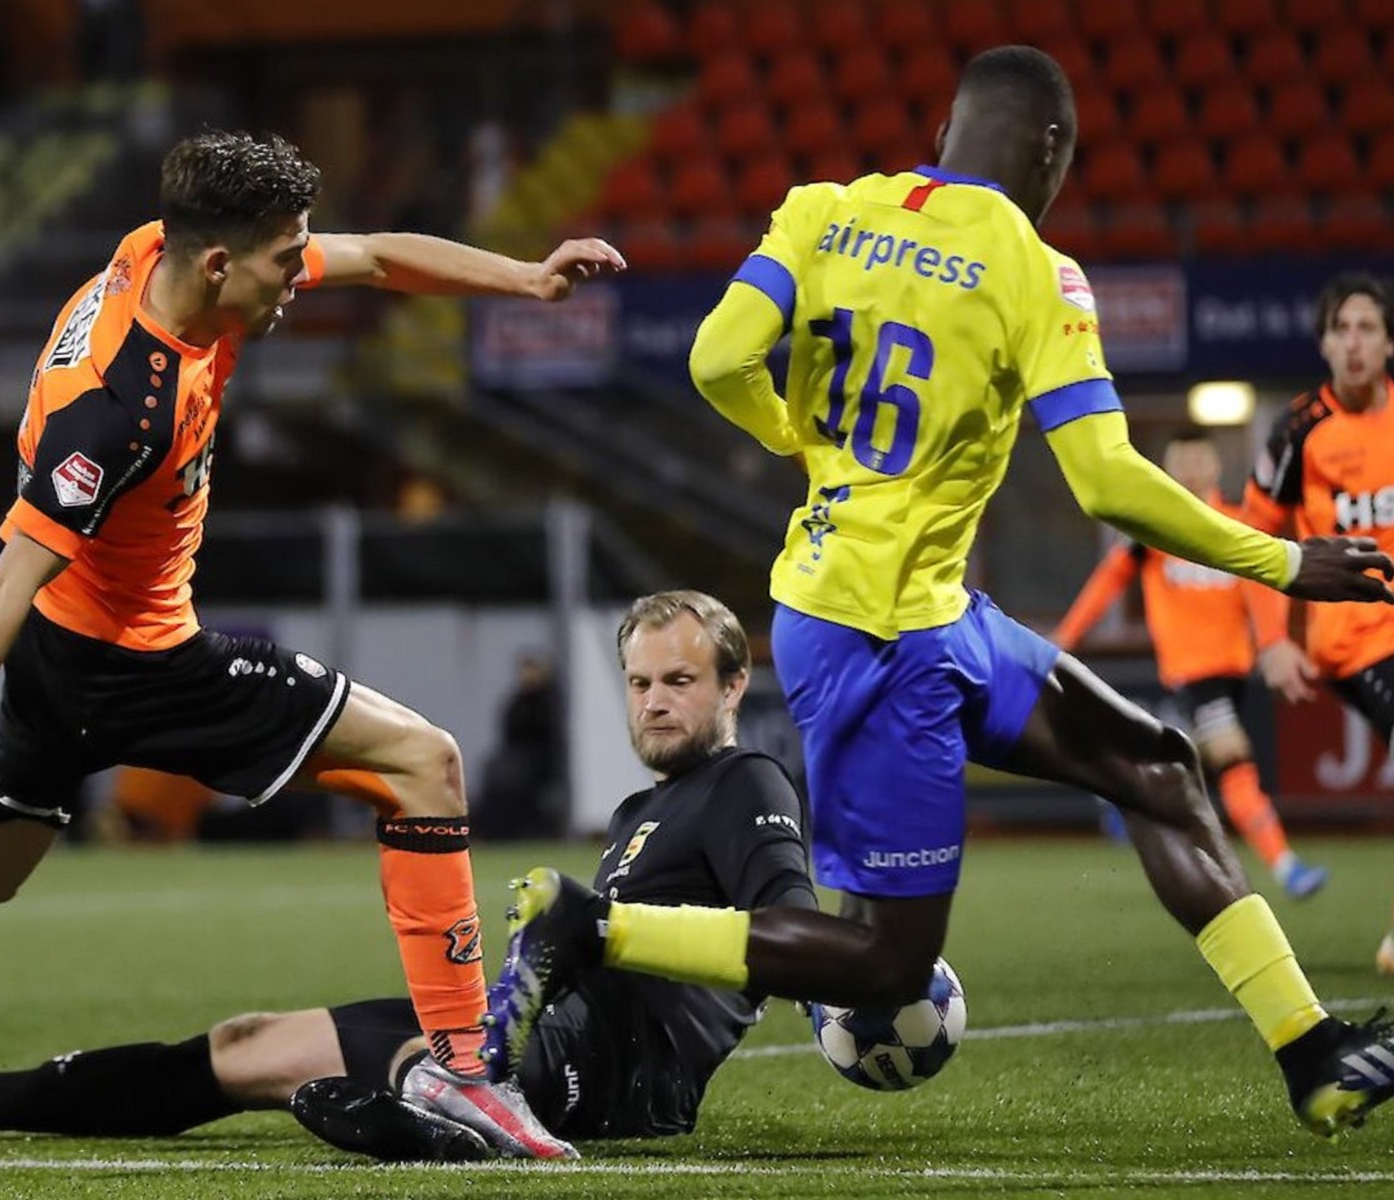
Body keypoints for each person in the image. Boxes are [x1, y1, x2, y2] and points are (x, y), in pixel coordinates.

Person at [0, 129, 625, 1161]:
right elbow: (9, 577)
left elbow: (371, 254)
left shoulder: (161, 251)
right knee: (425, 762)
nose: (301, 276)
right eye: (287, 259)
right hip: (137, 662)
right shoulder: (118, 413)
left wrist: (527, 280)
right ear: (224, 265)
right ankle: (464, 1073)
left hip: (66, 657)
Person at [482, 46, 1394, 1141]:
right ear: (1049, 150)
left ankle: (1312, 1056)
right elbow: (1105, 480)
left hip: (926, 612)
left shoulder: (823, 210)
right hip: (876, 637)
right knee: (887, 962)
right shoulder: (1032, 266)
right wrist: (1284, 561)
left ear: (951, 124)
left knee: (1157, 766)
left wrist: (803, 440)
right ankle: (594, 928)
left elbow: (716, 360)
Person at [0, 591, 812, 1160]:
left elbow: (796, 933)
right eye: (640, 685)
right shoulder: (642, 813)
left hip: (600, 1077)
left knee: (345, 1066)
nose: (654, 704)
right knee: (248, 1044)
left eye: (679, 683)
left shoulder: (746, 783)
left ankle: (427, 1122)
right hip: (530, 1031)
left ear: (734, 687)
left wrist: (857, 1005)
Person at [1052, 427, 1326, 898]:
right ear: (1168, 470)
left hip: (1235, 668)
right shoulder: (1155, 528)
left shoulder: (1237, 523)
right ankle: (1286, 867)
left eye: (1199, 461)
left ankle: (1131, 801)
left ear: (1216, 466)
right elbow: (1108, 581)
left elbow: (1262, 590)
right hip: (1193, 671)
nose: (1191, 471)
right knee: (1235, 765)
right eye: (1180, 463)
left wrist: (1274, 642)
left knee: (1183, 769)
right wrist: (1065, 638)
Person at [1241, 272, 1394, 970]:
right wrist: (1273, 642)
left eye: (1367, 327)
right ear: (1324, 344)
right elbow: (1256, 538)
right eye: (1341, 329)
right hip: (1355, 639)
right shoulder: (1300, 430)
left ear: (1388, 342)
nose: (1354, 343)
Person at [472, 651, 564, 840]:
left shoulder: (549, 701)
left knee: (518, 777)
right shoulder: (517, 701)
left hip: (539, 760)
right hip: (517, 757)